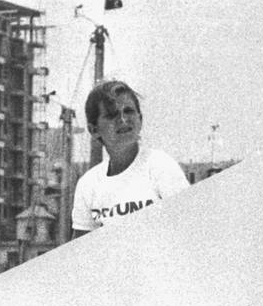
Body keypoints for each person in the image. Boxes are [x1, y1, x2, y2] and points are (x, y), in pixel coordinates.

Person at [71, 79, 189, 236]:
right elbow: (80, 252)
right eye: (112, 115)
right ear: (94, 130)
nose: (123, 120)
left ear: (140, 119)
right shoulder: (88, 184)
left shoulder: (160, 166)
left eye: (128, 111)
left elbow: (189, 227)